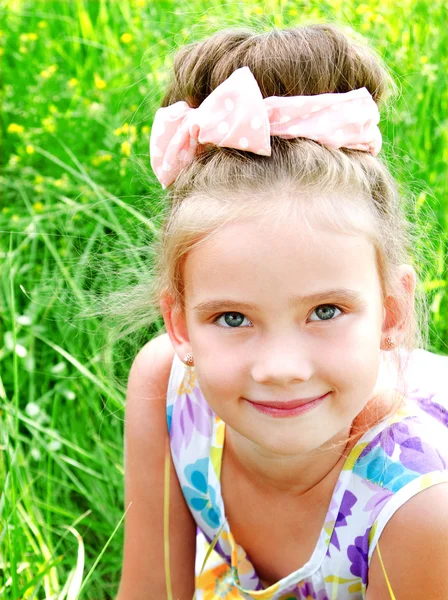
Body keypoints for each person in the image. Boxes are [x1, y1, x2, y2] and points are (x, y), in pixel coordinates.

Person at [115, 23, 448, 600]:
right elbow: (149, 590)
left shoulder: (421, 512)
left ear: (391, 314)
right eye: (234, 319)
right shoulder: (166, 388)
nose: (281, 368)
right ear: (179, 324)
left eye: (325, 310)